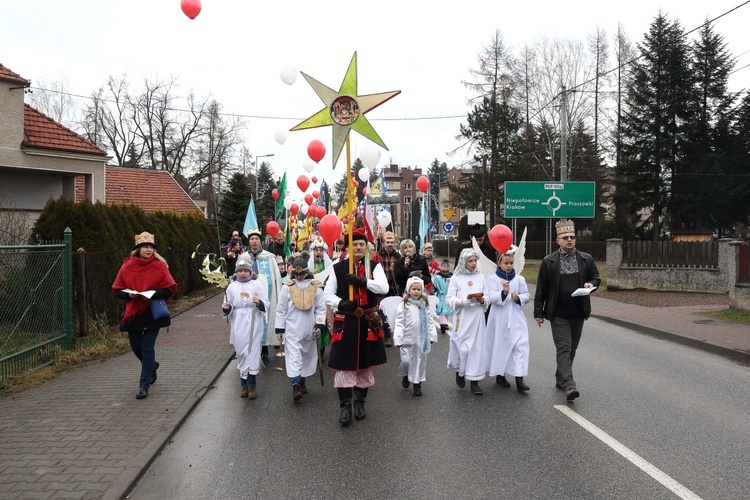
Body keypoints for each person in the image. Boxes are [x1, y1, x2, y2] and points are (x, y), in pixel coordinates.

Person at [322, 227, 389, 427]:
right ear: (349, 247)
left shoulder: (374, 266)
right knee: (344, 366)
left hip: (367, 322)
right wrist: (340, 304)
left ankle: (360, 403)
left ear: (367, 248)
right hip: (347, 322)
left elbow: (383, 288)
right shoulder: (338, 267)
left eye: (362, 244)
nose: (358, 247)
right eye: (355, 244)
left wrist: (363, 281)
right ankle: (345, 406)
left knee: (364, 364)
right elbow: (327, 294)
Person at [534, 219, 600, 402]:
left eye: (572, 237)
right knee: (564, 347)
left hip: (578, 311)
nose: (569, 239)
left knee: (572, 349)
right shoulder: (549, 261)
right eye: (565, 237)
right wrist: (538, 312)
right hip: (558, 313)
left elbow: (596, 277)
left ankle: (560, 377)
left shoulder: (586, 259)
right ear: (558, 240)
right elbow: (542, 288)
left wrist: (591, 284)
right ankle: (569, 386)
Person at [112, 232, 178, 400]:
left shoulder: (159, 266)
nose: (149, 250)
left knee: (148, 348)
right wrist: (130, 296)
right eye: (145, 247)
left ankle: (143, 385)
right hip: (133, 312)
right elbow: (117, 290)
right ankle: (152, 367)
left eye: (151, 247)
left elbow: (170, 288)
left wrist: (151, 294)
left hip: (152, 312)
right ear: (138, 249)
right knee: (136, 347)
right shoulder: (127, 266)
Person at [275, 258, 327, 402]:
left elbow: (321, 309)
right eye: (296, 274)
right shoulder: (287, 287)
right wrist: (280, 327)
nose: (299, 277)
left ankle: (302, 382)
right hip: (292, 329)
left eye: (301, 274)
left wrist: (320, 324)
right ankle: (295, 385)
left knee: (306, 357)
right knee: (294, 357)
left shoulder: (315, 287)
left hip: (309, 329)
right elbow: (281, 309)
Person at [222, 254, 269, 399]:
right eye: (240, 270)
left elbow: (266, 303)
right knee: (241, 353)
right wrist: (226, 307)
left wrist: (259, 302)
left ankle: (252, 386)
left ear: (250, 271)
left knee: (252, 353)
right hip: (238, 324)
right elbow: (227, 306)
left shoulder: (256, 285)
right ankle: (243, 385)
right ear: (236, 272)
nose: (242, 273)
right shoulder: (232, 287)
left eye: (245, 270)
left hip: (254, 323)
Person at [485, 249, 531, 393]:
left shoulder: (519, 279)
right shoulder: (493, 279)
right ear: (499, 264)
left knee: (521, 346)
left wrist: (519, 298)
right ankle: (500, 374)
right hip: (499, 318)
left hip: (516, 318)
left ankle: (519, 378)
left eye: (511, 263)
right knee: (501, 346)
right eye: (506, 263)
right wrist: (503, 293)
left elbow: (527, 295)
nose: (509, 266)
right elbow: (491, 297)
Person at [447, 248, 487, 395]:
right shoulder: (456, 278)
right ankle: (460, 371)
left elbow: (487, 295)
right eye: (470, 261)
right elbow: (449, 299)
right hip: (462, 318)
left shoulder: (481, 277)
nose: (473, 263)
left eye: (475, 260)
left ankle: (475, 382)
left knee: (476, 349)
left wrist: (483, 299)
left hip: (477, 319)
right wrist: (463, 301)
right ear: (464, 262)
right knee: (462, 348)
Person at [393, 276, 437, 397]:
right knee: (406, 360)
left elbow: (429, 321)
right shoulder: (404, 305)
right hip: (407, 338)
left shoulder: (424, 304)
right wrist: (398, 337)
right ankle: (406, 374)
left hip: (421, 339)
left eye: (419, 289)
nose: (416, 292)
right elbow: (399, 322)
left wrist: (432, 336)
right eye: (414, 289)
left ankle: (417, 384)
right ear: (409, 289)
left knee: (419, 361)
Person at [246, 228, 283, 359]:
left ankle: (265, 345)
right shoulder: (244, 258)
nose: (254, 241)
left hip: (267, 294)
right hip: (249, 296)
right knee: (251, 320)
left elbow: (275, 277)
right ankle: (251, 345)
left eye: (256, 239)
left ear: (260, 241)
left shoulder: (269, 258)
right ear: (249, 241)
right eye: (252, 239)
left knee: (265, 319)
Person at [432, 259, 453, 335]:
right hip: (440, 296)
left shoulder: (452, 278)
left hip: (448, 296)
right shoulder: (438, 278)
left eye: (446, 271)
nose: (445, 273)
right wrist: (433, 290)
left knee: (446, 310)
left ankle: (445, 323)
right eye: (443, 271)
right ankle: (443, 323)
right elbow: (434, 286)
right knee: (441, 310)